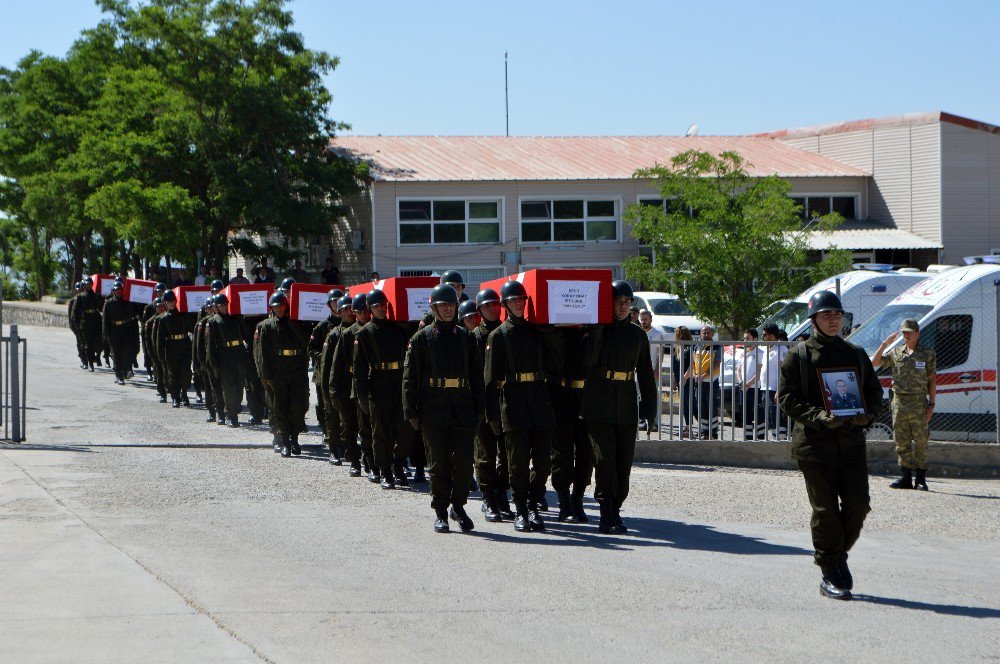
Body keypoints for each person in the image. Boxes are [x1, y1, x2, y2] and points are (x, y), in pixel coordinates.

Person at [778, 291, 882, 601]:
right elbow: (786, 398)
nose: (834, 320)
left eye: (838, 315)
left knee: (858, 505)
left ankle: (837, 556)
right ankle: (829, 569)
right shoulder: (798, 356)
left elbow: (874, 393)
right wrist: (820, 417)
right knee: (825, 511)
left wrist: (868, 415)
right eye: (827, 315)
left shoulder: (855, 353)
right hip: (815, 446)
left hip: (851, 444)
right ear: (814, 320)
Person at [403, 284, 485, 532]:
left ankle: (458, 507)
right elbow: (410, 378)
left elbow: (477, 376)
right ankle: (440, 511)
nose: (448, 309)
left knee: (463, 464)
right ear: (434, 308)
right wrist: (411, 411)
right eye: (443, 306)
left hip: (462, 407)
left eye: (451, 305)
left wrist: (480, 409)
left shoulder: (466, 338)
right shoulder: (421, 339)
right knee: (438, 463)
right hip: (433, 408)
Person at [484, 280, 561, 532]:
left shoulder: (537, 331)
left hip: (539, 400)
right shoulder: (498, 336)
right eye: (513, 300)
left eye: (522, 300)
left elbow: (556, 363)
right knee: (516, 462)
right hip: (513, 402)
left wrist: (549, 333)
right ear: (505, 304)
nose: (518, 304)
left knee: (542, 463)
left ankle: (533, 501)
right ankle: (521, 508)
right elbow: (490, 378)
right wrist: (493, 415)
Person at [580, 281, 657, 534]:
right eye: (618, 301)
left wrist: (649, 410)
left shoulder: (637, 335)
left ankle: (617, 508)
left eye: (627, 302)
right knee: (604, 461)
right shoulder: (596, 329)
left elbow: (645, 373)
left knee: (624, 462)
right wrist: (598, 329)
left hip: (625, 402)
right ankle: (604, 512)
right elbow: (588, 361)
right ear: (609, 303)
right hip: (600, 402)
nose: (623, 307)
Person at [354, 289, 416, 488]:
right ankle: (385, 470)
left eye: (383, 305)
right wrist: (362, 394)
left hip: (398, 383)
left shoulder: (397, 329)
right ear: (370, 309)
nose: (381, 309)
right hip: (377, 385)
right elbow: (360, 367)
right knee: (380, 431)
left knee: (405, 427)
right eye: (376, 306)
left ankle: (398, 462)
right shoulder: (363, 333)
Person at [872, 318, 937, 491]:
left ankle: (921, 479)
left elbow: (932, 379)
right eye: (904, 332)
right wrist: (885, 343)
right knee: (901, 440)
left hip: (918, 403)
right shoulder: (896, 353)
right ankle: (906, 478)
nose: (906, 335)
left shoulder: (927, 353)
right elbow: (875, 362)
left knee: (921, 440)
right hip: (899, 402)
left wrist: (932, 404)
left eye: (909, 332)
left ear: (918, 333)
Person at [470, 288, 512, 521]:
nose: (492, 309)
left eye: (495, 304)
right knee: (485, 451)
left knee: (507, 453)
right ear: (479, 310)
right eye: (486, 306)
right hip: (484, 399)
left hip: (507, 399)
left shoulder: (507, 333)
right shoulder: (475, 337)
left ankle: (502, 494)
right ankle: (487, 497)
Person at [256, 292, 311, 457]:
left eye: (281, 305)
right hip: (277, 370)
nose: (279, 308)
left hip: (297, 369)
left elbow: (306, 342)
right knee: (279, 407)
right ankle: (285, 441)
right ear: (271, 308)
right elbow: (261, 353)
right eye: (275, 306)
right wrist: (265, 376)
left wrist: (293, 322)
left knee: (298, 406)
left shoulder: (298, 322)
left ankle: (294, 437)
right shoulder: (266, 326)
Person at [550, 325, 593, 523]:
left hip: (586, 397)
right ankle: (564, 501)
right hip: (561, 395)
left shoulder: (593, 329)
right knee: (561, 453)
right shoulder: (555, 330)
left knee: (586, 452)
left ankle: (578, 499)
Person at [332, 294, 376, 478]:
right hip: (347, 385)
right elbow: (335, 364)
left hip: (369, 383)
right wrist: (334, 390)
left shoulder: (374, 331)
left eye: (368, 311)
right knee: (349, 426)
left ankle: (370, 460)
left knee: (367, 427)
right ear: (354, 313)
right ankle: (354, 461)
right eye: (361, 312)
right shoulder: (347, 334)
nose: (365, 315)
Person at [322, 296, 361, 475]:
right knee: (345, 424)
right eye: (344, 309)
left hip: (359, 383)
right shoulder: (334, 334)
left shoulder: (361, 330)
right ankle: (349, 456)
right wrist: (328, 391)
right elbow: (328, 365)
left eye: (350, 309)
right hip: (344, 384)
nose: (347, 312)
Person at [308, 289, 345, 462]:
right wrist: (325, 356)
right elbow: (311, 349)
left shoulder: (348, 324)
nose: (337, 304)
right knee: (328, 410)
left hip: (344, 374)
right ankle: (332, 442)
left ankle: (346, 444)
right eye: (334, 302)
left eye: (339, 301)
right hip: (324, 373)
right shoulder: (322, 327)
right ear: (329, 305)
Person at [205, 292, 250, 427]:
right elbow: (210, 345)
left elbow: (246, 334)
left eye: (225, 304)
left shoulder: (235, 318)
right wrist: (213, 364)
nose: (224, 307)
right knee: (229, 387)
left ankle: (233, 410)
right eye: (221, 305)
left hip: (238, 354)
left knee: (239, 386)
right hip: (224, 357)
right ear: (216, 307)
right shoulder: (212, 322)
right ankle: (231, 415)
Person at [154, 290, 193, 408]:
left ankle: (184, 394)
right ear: (165, 303)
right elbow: (159, 339)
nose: (171, 303)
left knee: (186, 373)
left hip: (185, 346)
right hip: (171, 348)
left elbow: (192, 328)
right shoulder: (162, 319)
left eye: (173, 301)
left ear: (176, 301)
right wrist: (160, 355)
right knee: (173, 375)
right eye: (169, 301)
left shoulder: (183, 314)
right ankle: (175, 397)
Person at [686, 325, 722, 439]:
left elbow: (716, 365)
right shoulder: (697, 347)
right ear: (700, 334)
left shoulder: (716, 347)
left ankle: (712, 432)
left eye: (708, 333)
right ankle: (703, 431)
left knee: (711, 407)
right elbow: (693, 364)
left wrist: (703, 375)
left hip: (711, 381)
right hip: (699, 382)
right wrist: (694, 375)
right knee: (701, 408)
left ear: (712, 334)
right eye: (704, 333)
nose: (706, 335)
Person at [759, 323, 789, 439]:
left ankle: (780, 439)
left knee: (777, 416)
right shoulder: (768, 348)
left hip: (775, 388)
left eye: (765, 335)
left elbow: (785, 371)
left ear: (772, 336)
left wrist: (779, 390)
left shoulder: (781, 349)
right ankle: (775, 437)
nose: (763, 338)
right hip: (766, 388)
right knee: (770, 416)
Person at [638, 309, 666, 432]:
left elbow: (661, 353)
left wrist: (657, 369)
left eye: (645, 319)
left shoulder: (657, 334)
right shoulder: (638, 333)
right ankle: (643, 420)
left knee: (653, 396)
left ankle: (655, 422)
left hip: (652, 369)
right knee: (640, 396)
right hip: (638, 370)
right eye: (642, 319)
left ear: (650, 320)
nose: (643, 322)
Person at [192, 298, 220, 422]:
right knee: (209, 387)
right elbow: (198, 345)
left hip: (220, 359)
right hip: (207, 361)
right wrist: (200, 362)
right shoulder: (202, 323)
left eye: (213, 307)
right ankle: (211, 411)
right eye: (209, 308)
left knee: (220, 387)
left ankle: (221, 410)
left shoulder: (220, 320)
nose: (211, 310)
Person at [737, 328, 764, 441]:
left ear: (755, 339)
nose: (745, 340)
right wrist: (741, 383)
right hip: (744, 388)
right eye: (744, 338)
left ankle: (760, 436)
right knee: (745, 413)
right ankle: (747, 436)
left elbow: (759, 372)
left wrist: (748, 384)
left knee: (758, 413)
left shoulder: (760, 353)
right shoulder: (743, 353)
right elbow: (738, 370)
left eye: (748, 338)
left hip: (755, 388)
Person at [72, 277, 104, 371]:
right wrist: (77, 324)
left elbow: (101, 307)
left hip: (96, 319)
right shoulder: (80, 297)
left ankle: (96, 356)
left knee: (98, 341)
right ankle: (90, 363)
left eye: (90, 284)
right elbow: (75, 312)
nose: (89, 285)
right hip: (85, 321)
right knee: (87, 343)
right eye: (87, 284)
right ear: (85, 285)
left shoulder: (96, 295)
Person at [671, 326, 695, 438]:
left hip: (688, 380)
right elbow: (674, 366)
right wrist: (675, 380)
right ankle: (687, 427)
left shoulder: (691, 348)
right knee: (684, 405)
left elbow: (692, 364)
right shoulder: (676, 349)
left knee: (689, 404)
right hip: (680, 380)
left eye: (678, 334)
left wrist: (684, 378)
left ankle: (691, 428)